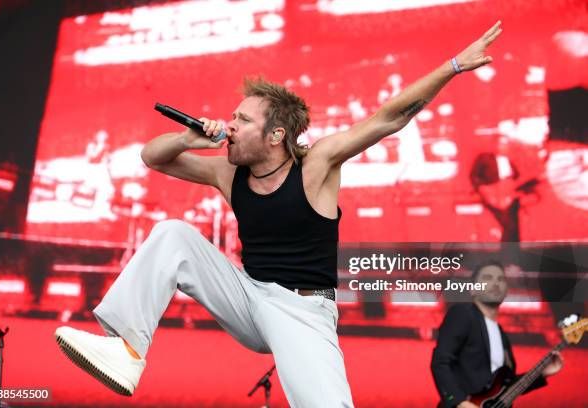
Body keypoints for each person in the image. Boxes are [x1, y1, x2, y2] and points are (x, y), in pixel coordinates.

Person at [55, 21, 504, 407]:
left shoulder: (316, 166)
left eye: (242, 120)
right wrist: (187, 140)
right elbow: (153, 157)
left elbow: (391, 117)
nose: (229, 125)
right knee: (173, 235)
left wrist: (455, 66)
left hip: (303, 311)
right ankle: (129, 350)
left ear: (275, 135)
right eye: (232, 116)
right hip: (248, 297)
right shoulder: (228, 173)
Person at [431, 260, 564, 408]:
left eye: (501, 279)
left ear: (506, 291)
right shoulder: (462, 314)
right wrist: (458, 402)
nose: (495, 283)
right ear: (472, 290)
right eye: (487, 278)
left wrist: (542, 373)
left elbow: (505, 388)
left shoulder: (501, 336)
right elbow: (440, 362)